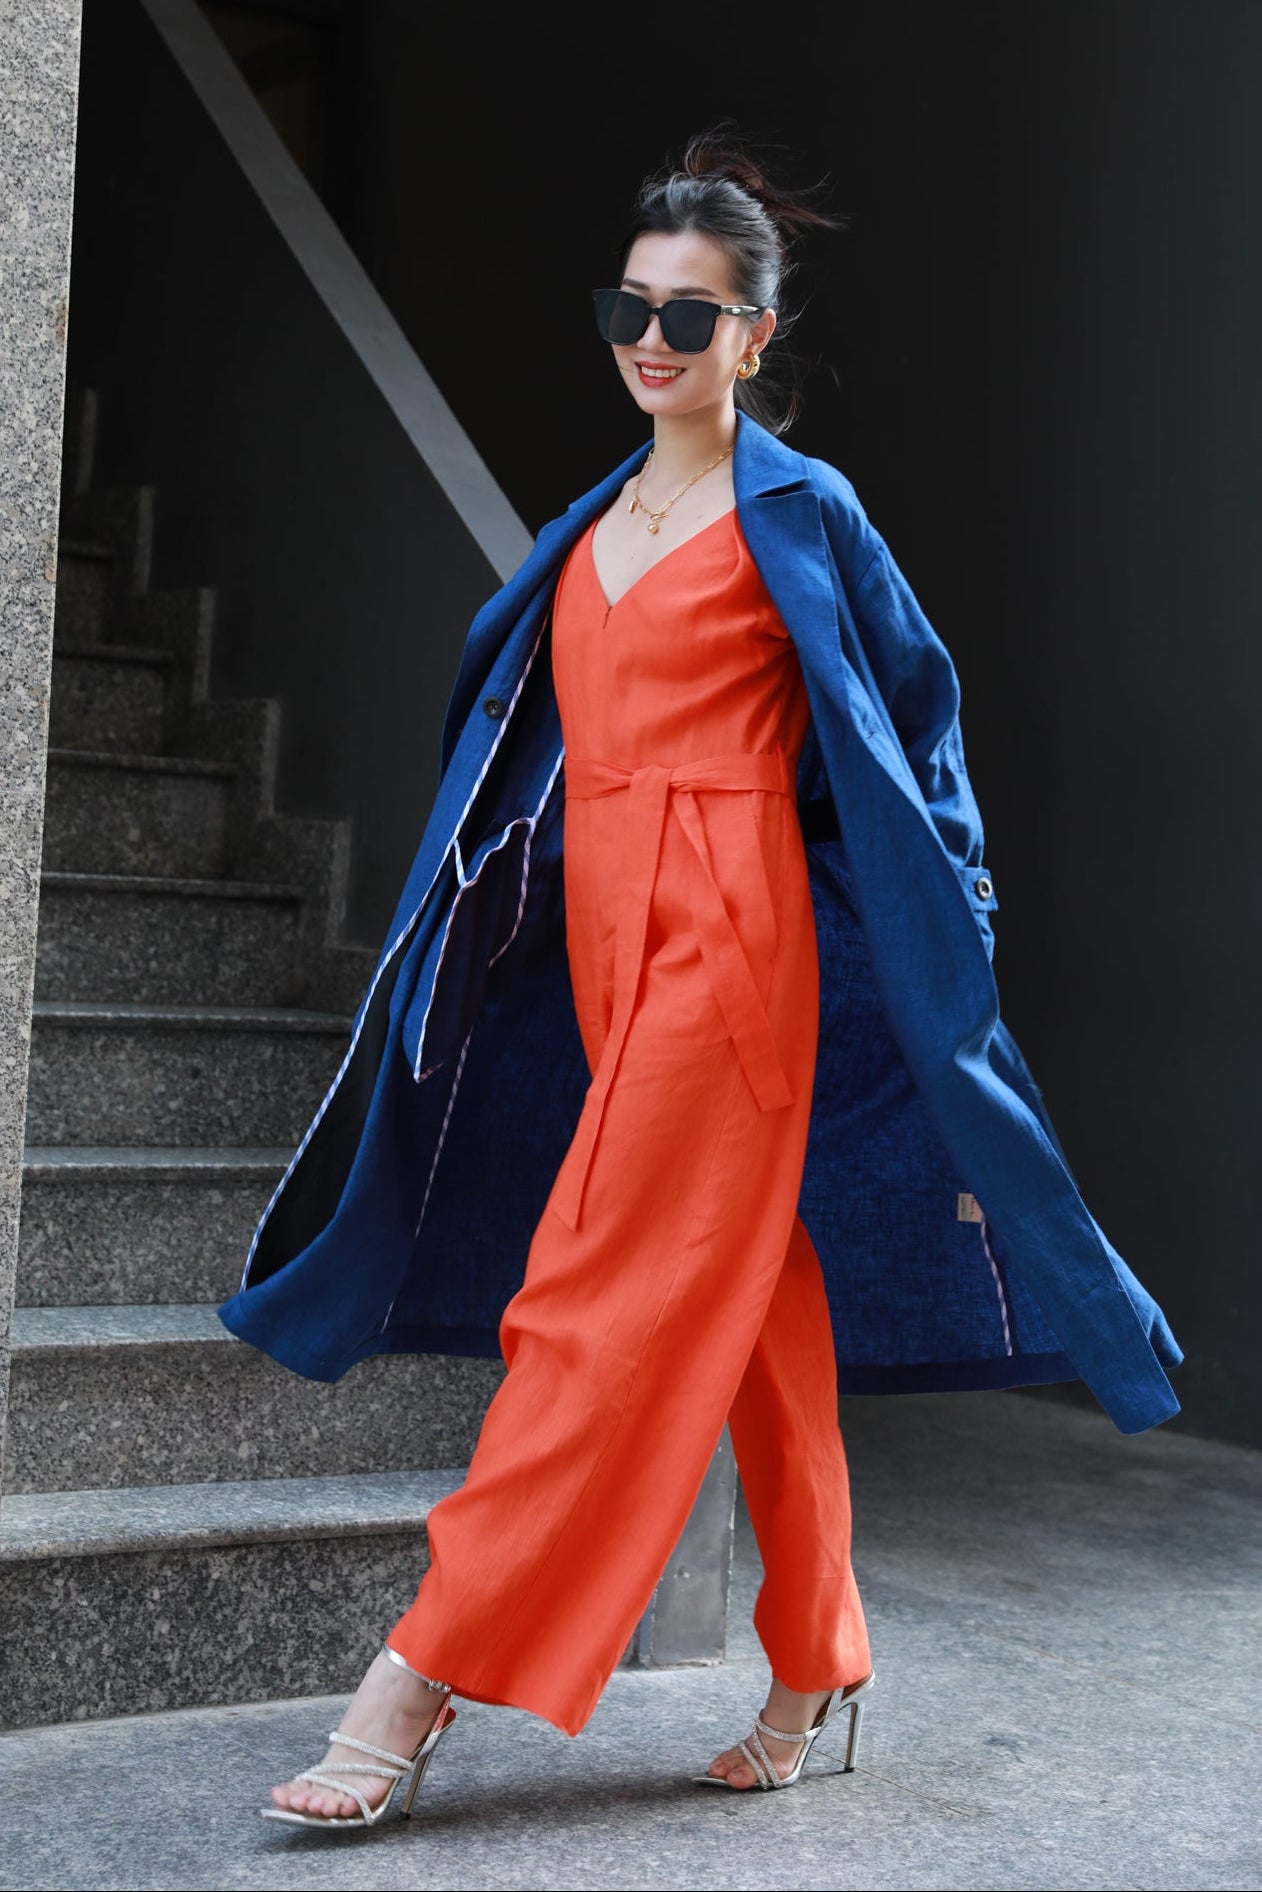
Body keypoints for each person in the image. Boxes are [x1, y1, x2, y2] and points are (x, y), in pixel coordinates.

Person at [223, 128, 1182, 1829]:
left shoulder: (803, 513)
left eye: (692, 316)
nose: (651, 342)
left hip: (733, 949)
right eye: (629, 308)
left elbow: (917, 729)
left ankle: (415, 1682)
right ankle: (820, 1654)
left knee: (588, 1294)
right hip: (601, 940)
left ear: (755, 338)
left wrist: (941, 911)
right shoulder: (591, 516)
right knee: (755, 1314)